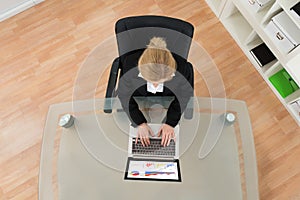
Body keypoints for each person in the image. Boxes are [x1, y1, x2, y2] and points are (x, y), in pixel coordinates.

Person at [118, 37, 193, 147]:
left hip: (168, 100)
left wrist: (170, 122)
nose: (155, 86)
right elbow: (124, 95)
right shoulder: (129, 65)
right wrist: (139, 123)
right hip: (139, 99)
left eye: (160, 82)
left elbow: (184, 94)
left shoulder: (183, 68)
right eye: (151, 81)